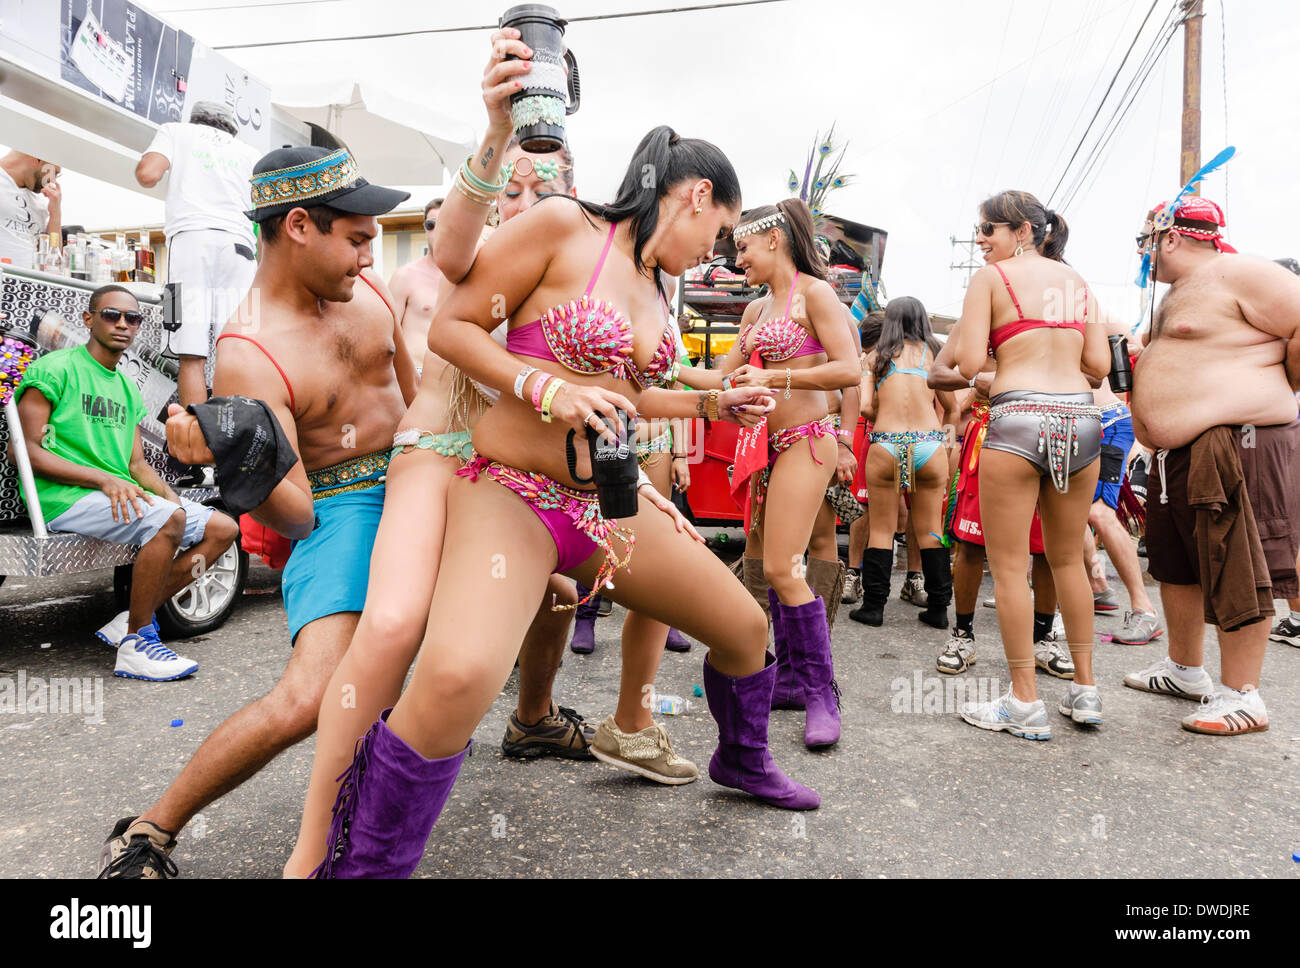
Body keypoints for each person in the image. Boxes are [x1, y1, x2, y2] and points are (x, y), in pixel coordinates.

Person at [311, 127, 820, 879]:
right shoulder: (564, 226)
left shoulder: (656, 284)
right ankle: (360, 866)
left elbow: (634, 393)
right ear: (696, 196)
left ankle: (741, 761)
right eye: (717, 234)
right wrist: (545, 386)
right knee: (454, 677)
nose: (717, 254)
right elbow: (454, 328)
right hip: (512, 493)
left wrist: (713, 408)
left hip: (605, 507)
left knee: (745, 628)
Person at [96, 146, 418, 878]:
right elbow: (298, 514)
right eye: (358, 238)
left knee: (554, 560)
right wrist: (229, 455)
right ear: (300, 225)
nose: (370, 258)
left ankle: (534, 720)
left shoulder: (368, 295)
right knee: (311, 698)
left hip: (419, 478)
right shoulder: (248, 352)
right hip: (339, 506)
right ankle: (151, 828)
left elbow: (420, 394)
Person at [1123, 196, 1300, 735]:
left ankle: (1244, 696)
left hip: (1235, 441)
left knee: (1236, 562)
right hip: (1178, 452)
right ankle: (1185, 669)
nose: (1146, 256)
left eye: (1147, 244)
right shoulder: (1181, 293)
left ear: (1170, 237)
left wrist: (1276, 384)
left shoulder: (1242, 271)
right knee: (1177, 563)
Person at [15, 284, 238, 679]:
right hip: (66, 497)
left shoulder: (125, 389)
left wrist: (175, 501)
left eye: (132, 318)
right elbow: (26, 452)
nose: (123, 324)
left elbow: (136, 465)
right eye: (111, 315)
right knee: (168, 520)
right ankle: (139, 642)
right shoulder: (54, 369)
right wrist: (103, 479)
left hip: (116, 494)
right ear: (88, 319)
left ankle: (133, 616)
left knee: (223, 527)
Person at [952, 191, 1109, 740]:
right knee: (1068, 560)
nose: (979, 241)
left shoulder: (991, 281)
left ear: (1021, 230)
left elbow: (969, 362)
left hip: (1019, 418)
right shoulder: (1079, 283)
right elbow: (1099, 365)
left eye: (986, 230)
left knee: (1012, 565)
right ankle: (1086, 692)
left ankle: (1024, 702)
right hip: (1081, 421)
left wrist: (1009, 356)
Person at [928, 324, 1072, 680]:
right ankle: (962, 635)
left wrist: (1017, 382)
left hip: (1048, 431)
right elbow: (937, 374)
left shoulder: (1061, 318)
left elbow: (1095, 373)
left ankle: (1043, 639)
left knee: (1046, 546)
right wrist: (978, 377)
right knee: (972, 542)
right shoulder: (980, 315)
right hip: (989, 431)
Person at [135, 101, 261, 409]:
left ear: (195, 120)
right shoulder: (251, 153)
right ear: (232, 128)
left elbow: (147, 174)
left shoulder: (175, 131)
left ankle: (199, 440)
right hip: (243, 251)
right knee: (241, 347)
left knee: (189, 352)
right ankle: (234, 439)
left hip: (189, 244)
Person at [850, 296, 956, 629]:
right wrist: (947, 438)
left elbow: (865, 408)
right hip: (930, 445)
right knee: (930, 529)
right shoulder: (935, 356)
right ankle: (939, 609)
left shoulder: (875, 358)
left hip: (887, 444)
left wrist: (887, 405)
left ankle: (874, 607)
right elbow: (951, 404)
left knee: (881, 528)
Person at [388, 197, 445, 374]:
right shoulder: (405, 276)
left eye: (443, 222)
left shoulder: (468, 279)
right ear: (425, 228)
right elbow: (386, 334)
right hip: (415, 375)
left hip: (456, 382)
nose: (436, 230)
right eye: (431, 224)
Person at [0, 151, 61, 269]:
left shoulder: (40, 202)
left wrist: (55, 213)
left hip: (27, 284)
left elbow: (53, 262)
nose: (53, 181)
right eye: (54, 172)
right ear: (37, 158)